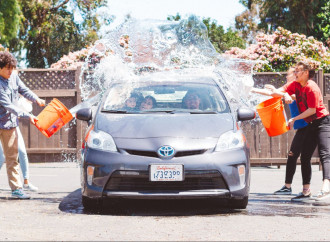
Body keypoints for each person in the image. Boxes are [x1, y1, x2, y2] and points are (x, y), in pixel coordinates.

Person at [251, 68, 311, 197]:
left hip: (308, 126)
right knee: (296, 156)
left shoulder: (298, 87)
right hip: (301, 126)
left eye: (289, 74)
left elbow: (288, 95)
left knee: (299, 156)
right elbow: (273, 93)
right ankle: (291, 187)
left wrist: (280, 93)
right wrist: (253, 89)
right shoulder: (289, 88)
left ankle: (301, 188)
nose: (288, 76)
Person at [0, 51, 45, 199]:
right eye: (7, 68)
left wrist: (36, 98)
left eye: (12, 67)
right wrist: (28, 115)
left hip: (9, 125)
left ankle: (16, 189)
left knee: (12, 158)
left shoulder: (13, 77)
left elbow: (23, 89)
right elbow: (9, 105)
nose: (10, 71)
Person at [282, 62, 330, 201]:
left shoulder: (312, 87)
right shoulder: (296, 85)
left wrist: (294, 119)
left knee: (325, 155)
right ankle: (306, 191)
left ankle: (326, 188)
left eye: (298, 71)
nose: (295, 73)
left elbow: (312, 110)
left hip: (322, 122)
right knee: (305, 157)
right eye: (295, 70)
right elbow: (280, 90)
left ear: (306, 72)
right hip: (310, 124)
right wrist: (255, 91)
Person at [0, 127, 38, 191]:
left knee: (22, 152)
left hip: (12, 124)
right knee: (1, 157)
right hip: (3, 124)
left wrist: (29, 116)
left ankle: (26, 182)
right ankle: (16, 188)